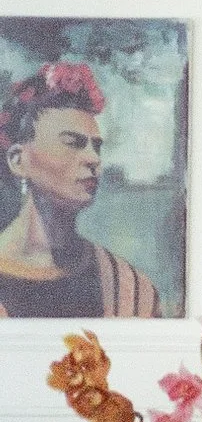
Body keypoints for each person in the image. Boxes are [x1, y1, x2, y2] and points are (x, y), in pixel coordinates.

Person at [0, 62, 159, 318]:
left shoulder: (128, 290)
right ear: (18, 160)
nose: (93, 159)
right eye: (72, 143)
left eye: (96, 147)